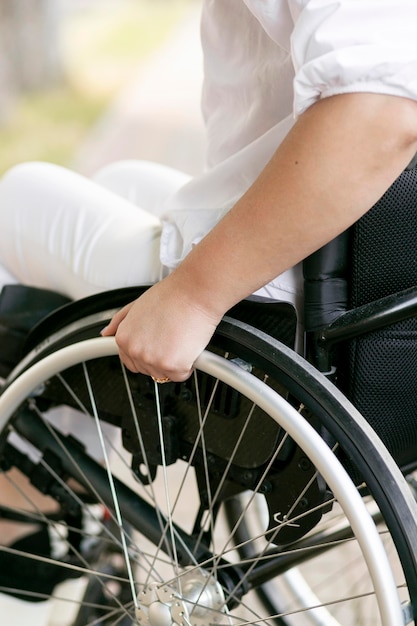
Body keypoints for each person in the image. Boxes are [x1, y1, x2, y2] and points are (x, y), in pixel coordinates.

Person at [1, 0, 417, 621]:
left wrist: (194, 295)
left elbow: (381, 111)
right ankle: (64, 489)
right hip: (366, 281)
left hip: (274, 293)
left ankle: (32, 503)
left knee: (19, 198)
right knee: (121, 177)